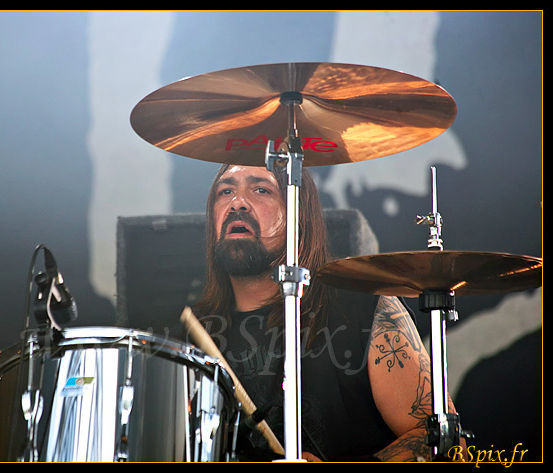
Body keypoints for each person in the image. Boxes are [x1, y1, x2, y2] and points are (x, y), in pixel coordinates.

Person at [190, 163, 466, 462]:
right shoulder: (197, 332)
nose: (237, 203)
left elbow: (446, 443)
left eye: (260, 189)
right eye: (225, 191)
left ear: (299, 217)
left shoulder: (362, 306)